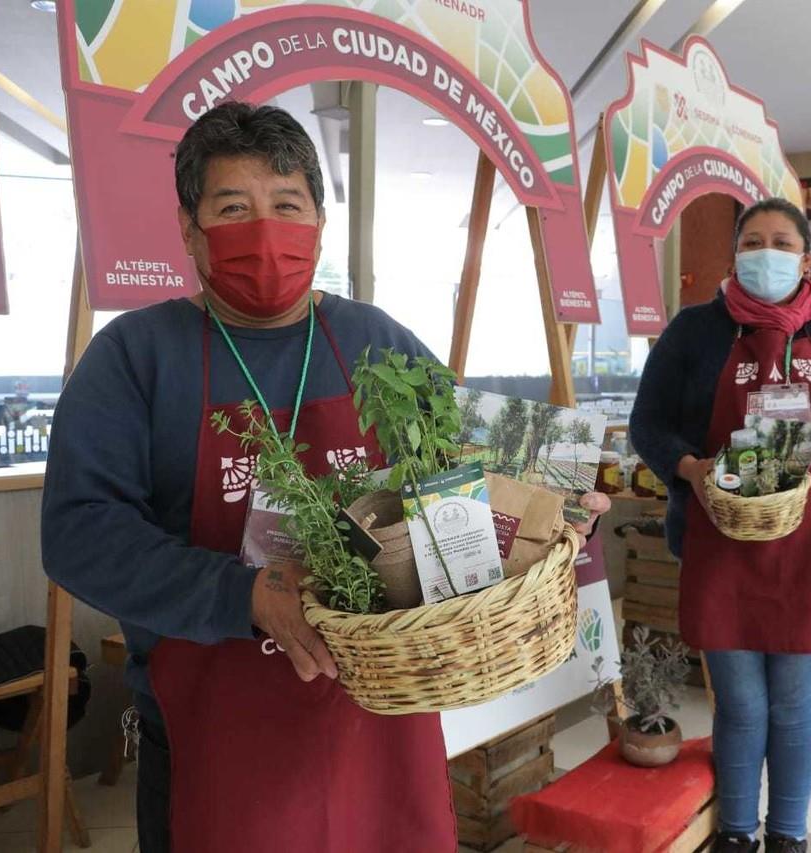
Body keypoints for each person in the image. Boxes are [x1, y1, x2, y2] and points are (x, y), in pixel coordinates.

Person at [41, 102, 609, 853]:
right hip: (214, 736)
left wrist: (550, 508)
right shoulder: (134, 359)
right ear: (189, 227)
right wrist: (242, 595)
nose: (265, 230)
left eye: (286, 205)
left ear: (318, 222)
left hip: (382, 725)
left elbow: (472, 478)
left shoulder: (378, 341)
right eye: (233, 208)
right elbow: (78, 533)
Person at [630, 198, 811, 853]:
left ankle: (787, 833)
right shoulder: (693, 332)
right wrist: (689, 468)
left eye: (782, 241)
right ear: (734, 253)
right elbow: (649, 424)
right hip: (722, 540)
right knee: (742, 702)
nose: (767, 252)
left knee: (795, 699)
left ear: (807, 257)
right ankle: (735, 831)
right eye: (754, 240)